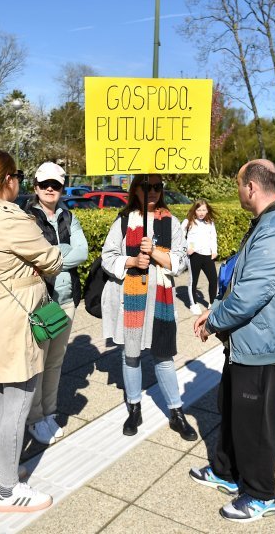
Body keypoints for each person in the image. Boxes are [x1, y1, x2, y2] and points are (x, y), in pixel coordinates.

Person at [191, 160, 275, 523]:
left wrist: (213, 320)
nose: (238, 191)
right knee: (230, 406)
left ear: (252, 188)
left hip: (266, 345)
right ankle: (226, 472)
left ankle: (261, 495)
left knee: (255, 424)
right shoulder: (271, 221)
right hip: (251, 342)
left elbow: (249, 296)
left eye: (239, 185)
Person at [0, 149, 63, 513]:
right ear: (7, 180)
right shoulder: (9, 218)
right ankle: (9, 489)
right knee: (18, 404)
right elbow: (51, 258)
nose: (20, 182)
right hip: (16, 318)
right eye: (18, 175)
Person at [101, 174, 198, 441]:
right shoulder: (123, 221)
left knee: (163, 356)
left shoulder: (172, 222)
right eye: (147, 187)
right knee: (130, 355)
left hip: (160, 300)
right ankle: (134, 408)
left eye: (157, 187)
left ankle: (176, 412)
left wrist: (154, 252)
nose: (153, 191)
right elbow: (107, 256)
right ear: (136, 190)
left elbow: (180, 262)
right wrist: (132, 261)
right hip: (131, 300)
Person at [24, 162, 89, 445]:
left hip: (66, 299)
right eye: (44, 184)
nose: (50, 189)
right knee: (37, 361)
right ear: (36, 186)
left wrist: (54, 257)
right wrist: (63, 252)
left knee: (55, 361)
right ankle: (34, 418)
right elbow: (33, 257)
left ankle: (48, 412)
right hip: (42, 302)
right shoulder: (26, 217)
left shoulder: (69, 215)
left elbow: (83, 251)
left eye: (56, 184)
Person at [181, 199, 218, 315]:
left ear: (207, 210)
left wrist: (214, 251)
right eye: (199, 210)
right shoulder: (188, 222)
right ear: (194, 210)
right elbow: (180, 237)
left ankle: (212, 303)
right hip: (194, 255)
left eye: (204, 210)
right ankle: (193, 304)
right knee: (193, 281)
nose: (201, 212)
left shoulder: (210, 222)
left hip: (207, 255)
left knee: (213, 280)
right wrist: (187, 248)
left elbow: (213, 237)